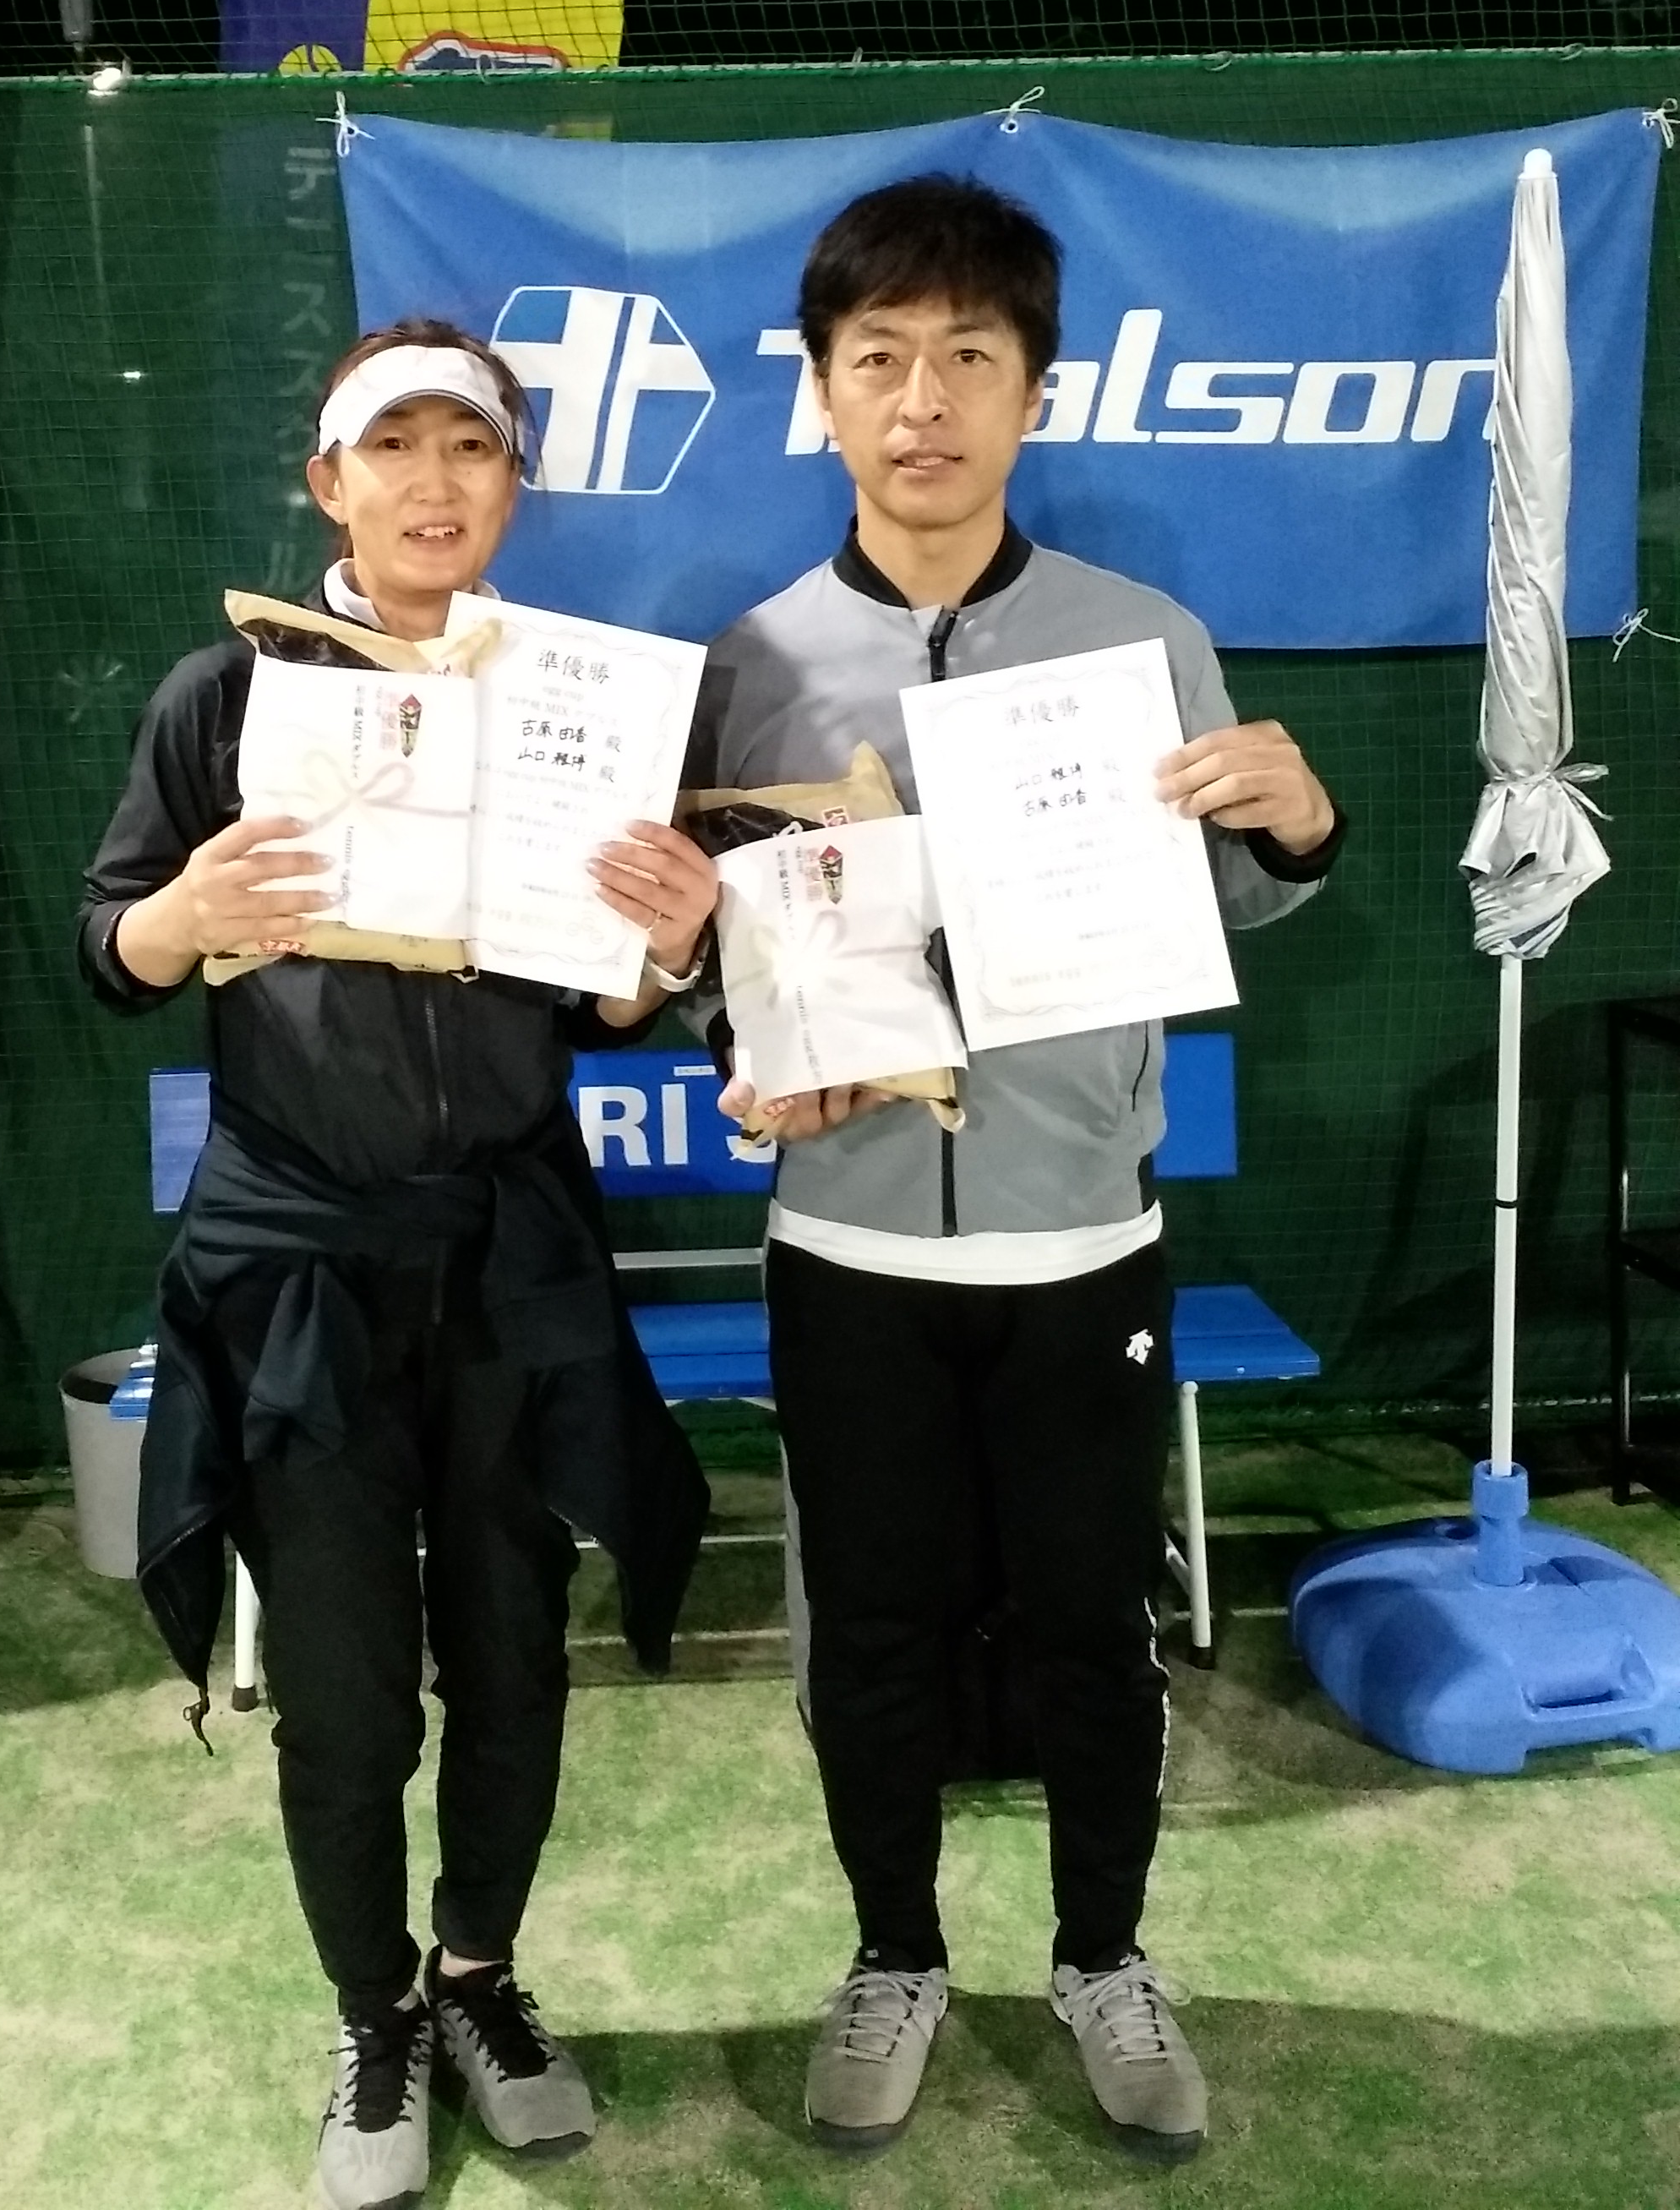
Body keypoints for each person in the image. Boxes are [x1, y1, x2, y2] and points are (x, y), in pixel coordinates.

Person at [686, 177, 1344, 2164]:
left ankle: (1102, 1957)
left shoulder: (1144, 641)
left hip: (1084, 1246)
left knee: (1091, 1630)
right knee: (871, 1634)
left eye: (969, 357)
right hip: (848, 1250)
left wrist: (1299, 824)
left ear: (1034, 394)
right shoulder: (750, 662)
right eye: (879, 358)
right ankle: (893, 1954)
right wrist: (747, 1066)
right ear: (821, 393)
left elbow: (1239, 895)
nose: (924, 400)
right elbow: (722, 963)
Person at [77, 320, 719, 2210]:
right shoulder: (221, 699)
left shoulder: (581, 702)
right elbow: (105, 948)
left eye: (475, 449)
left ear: (515, 484)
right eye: (396, 447)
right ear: (328, 481)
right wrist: (180, 914)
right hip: (303, 1276)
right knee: (348, 1690)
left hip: (510, 1263)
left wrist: (662, 950)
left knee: (516, 1656)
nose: (437, 484)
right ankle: (373, 2014)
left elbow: (610, 1002)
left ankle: (479, 1980)